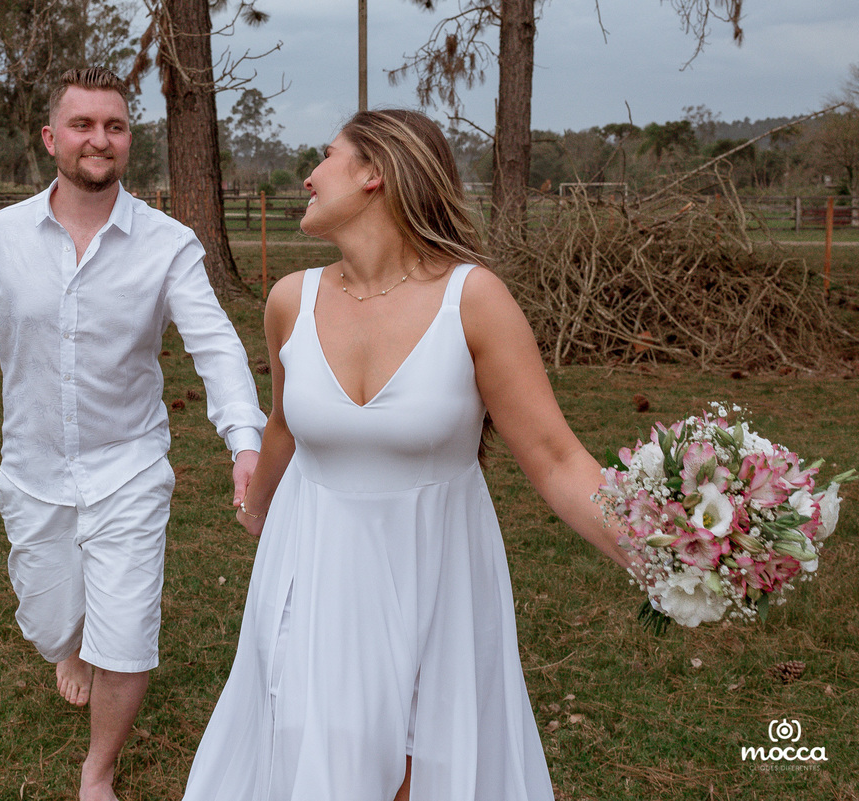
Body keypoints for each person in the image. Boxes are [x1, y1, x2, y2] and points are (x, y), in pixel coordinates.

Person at [0, 67, 266, 801]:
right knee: (49, 621)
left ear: (128, 139)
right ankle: (69, 646)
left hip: (129, 469)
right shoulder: (2, 238)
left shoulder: (169, 244)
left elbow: (217, 346)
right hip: (34, 474)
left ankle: (98, 772)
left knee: (126, 633)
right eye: (83, 124)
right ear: (50, 138)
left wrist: (244, 441)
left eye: (115, 126)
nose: (100, 139)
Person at [181, 109, 636, 801]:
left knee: (420, 772)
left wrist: (659, 548)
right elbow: (284, 426)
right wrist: (255, 506)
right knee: (318, 755)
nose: (308, 176)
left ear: (375, 173)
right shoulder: (289, 300)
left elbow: (555, 458)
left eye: (326, 156)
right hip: (313, 567)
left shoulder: (472, 299)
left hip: (437, 573)